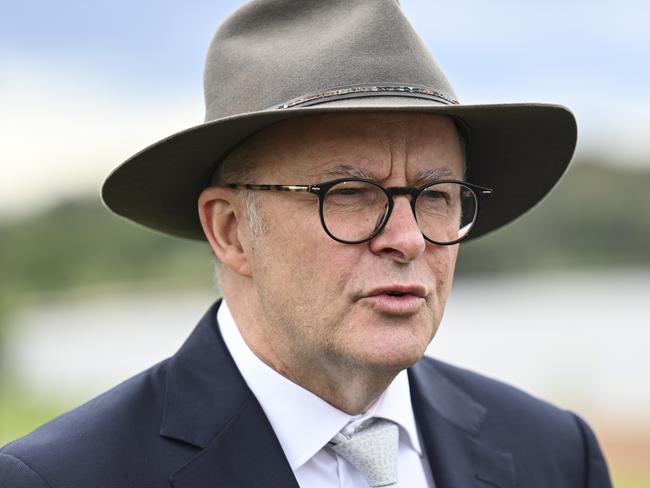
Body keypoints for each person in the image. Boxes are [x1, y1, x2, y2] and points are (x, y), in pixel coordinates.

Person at [0, 1, 612, 487]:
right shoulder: (64, 477)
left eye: (436, 195)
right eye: (349, 193)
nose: (406, 240)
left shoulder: (554, 453)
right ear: (231, 230)